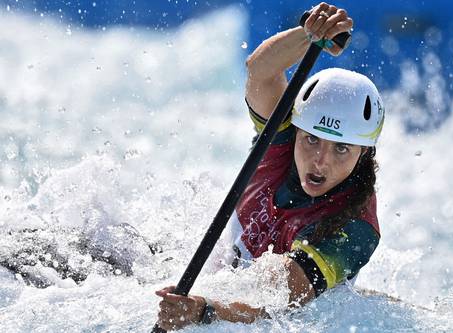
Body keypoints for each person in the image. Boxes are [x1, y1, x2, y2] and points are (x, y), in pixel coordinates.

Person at [155, 2, 385, 330]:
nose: (321, 159)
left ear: (364, 153)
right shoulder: (279, 138)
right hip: (225, 275)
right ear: (297, 129)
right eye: (312, 140)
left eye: (342, 149)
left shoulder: (355, 228)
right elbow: (260, 71)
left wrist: (203, 311)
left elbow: (275, 306)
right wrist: (308, 35)